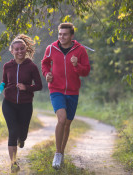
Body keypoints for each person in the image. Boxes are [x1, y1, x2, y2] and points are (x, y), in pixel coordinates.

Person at [41, 22, 90, 169]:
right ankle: (57, 154)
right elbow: (44, 63)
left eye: (65, 34)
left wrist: (76, 65)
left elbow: (86, 71)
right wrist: (47, 74)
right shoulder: (51, 48)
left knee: (67, 123)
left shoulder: (80, 50)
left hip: (73, 91)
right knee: (61, 119)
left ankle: (61, 153)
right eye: (60, 34)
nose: (61, 37)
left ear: (71, 36)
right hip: (56, 89)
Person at [0, 34, 42, 173]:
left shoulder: (32, 66)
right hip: (8, 103)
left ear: (26, 49)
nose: (20, 51)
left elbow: (39, 85)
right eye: (17, 49)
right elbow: (4, 82)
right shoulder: (7, 66)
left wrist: (26, 87)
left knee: (23, 134)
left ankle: (22, 139)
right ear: (12, 51)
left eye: (22, 48)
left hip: (25, 104)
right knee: (13, 131)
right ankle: (13, 163)